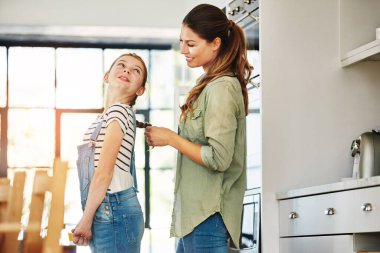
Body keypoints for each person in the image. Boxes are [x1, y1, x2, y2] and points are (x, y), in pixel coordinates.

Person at [145, 3, 252, 253]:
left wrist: (171, 138)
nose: (183, 50)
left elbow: (219, 158)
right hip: (194, 217)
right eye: (182, 42)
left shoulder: (221, 89)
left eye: (191, 44)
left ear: (215, 43)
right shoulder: (209, 85)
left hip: (208, 217)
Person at [72, 53, 148, 253]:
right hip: (112, 211)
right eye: (121, 65)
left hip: (113, 210)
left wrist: (86, 220)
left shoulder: (119, 112)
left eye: (135, 70)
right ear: (106, 76)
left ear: (140, 90)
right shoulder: (107, 116)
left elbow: (104, 172)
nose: (126, 70)